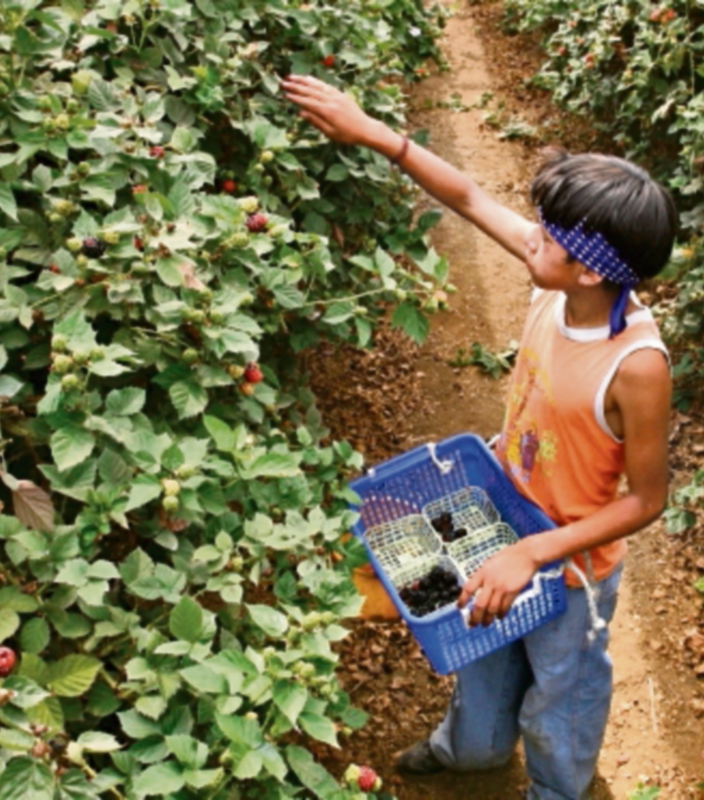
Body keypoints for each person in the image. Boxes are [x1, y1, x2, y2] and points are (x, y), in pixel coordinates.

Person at [281, 74, 674, 800]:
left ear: (589, 267)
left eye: (546, 235)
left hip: (572, 564)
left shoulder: (636, 367)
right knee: (481, 654)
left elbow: (648, 499)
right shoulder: (554, 280)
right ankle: (471, 752)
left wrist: (535, 551)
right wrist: (377, 134)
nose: (529, 237)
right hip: (497, 518)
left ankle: (555, 789)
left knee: (564, 693)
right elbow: (465, 196)